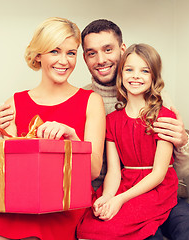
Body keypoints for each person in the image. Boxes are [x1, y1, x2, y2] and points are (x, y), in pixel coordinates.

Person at [0, 19, 189, 239]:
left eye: (108, 49)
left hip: (158, 190)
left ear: (122, 50)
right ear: (85, 57)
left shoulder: (157, 101)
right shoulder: (88, 100)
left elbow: (177, 171)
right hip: (112, 190)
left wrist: (182, 142)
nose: (101, 60)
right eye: (91, 53)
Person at [0, 17, 105, 240]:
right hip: (23, 202)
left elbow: (94, 171)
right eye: (54, 51)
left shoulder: (91, 100)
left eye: (71, 52)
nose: (64, 61)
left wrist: (74, 138)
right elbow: (11, 176)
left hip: (67, 203)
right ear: (39, 55)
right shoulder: (14, 103)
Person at [77, 43, 179, 239]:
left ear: (153, 77)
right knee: (92, 226)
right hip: (126, 183)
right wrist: (108, 197)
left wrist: (119, 200)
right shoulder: (112, 121)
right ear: (121, 75)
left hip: (157, 188)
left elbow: (158, 174)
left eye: (144, 71)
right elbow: (114, 171)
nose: (135, 76)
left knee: (122, 225)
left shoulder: (164, 117)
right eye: (129, 70)